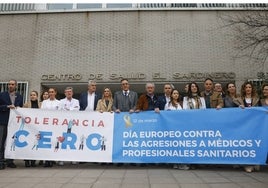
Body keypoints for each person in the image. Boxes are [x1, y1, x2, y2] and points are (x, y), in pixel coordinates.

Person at [233, 81, 260, 173]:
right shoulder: (238, 100)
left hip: (254, 125)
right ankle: (246, 164)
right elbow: (233, 112)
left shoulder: (257, 99)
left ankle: (254, 163)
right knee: (244, 143)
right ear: (244, 89)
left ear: (252, 89)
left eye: (250, 87)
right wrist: (238, 107)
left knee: (253, 144)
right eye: (246, 87)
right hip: (243, 126)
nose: (248, 89)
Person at [0, 79, 23, 169]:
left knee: (13, 141)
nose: (10, 86)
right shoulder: (2, 95)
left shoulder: (19, 96)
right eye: (9, 84)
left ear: (16, 86)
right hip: (3, 121)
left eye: (12, 84)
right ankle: (1, 161)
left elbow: (20, 108)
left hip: (14, 123)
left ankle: (10, 161)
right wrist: (7, 106)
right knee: (1, 141)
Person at [58, 87, 80, 166]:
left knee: (72, 141)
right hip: (63, 123)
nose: (69, 93)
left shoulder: (76, 101)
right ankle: (61, 159)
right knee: (63, 140)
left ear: (72, 93)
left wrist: (68, 109)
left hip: (72, 123)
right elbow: (61, 110)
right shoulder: (61, 101)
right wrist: (71, 109)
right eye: (67, 92)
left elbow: (77, 110)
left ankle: (72, 158)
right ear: (65, 93)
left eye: (70, 92)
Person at [41, 87, 60, 167]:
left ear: (55, 93)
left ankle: (52, 158)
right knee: (47, 141)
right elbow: (42, 112)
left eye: (52, 92)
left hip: (55, 125)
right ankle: (47, 160)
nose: (51, 93)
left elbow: (60, 113)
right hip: (47, 124)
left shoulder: (59, 102)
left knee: (54, 141)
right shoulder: (45, 102)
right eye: (49, 92)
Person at [23, 90, 41, 167]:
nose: (32, 96)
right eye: (31, 95)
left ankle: (33, 161)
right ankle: (27, 161)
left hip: (36, 127)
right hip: (28, 127)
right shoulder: (26, 104)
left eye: (34, 95)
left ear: (37, 96)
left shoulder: (40, 104)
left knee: (35, 143)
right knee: (28, 143)